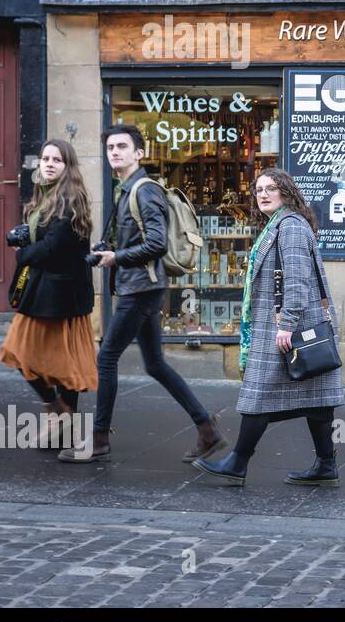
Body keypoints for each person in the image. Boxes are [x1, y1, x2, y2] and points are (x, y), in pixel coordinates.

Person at [58, 126, 228, 463]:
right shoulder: (126, 188)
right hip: (143, 286)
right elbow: (137, 238)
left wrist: (116, 258)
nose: (115, 152)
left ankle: (100, 438)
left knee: (106, 359)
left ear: (139, 152)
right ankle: (207, 429)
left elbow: (157, 243)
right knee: (155, 364)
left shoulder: (144, 190)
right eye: (110, 147)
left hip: (141, 288)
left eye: (122, 146)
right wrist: (107, 248)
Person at [194, 169, 345, 486]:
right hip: (289, 326)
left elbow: (297, 279)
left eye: (271, 188)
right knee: (317, 399)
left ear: (286, 192)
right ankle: (326, 464)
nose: (263, 194)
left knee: (258, 394)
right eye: (259, 189)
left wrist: (287, 324)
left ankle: (237, 462)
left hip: (286, 328)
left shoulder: (288, 227)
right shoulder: (280, 224)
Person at [0, 140, 98, 446]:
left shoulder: (70, 200)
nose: (49, 163)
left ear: (68, 166)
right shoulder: (48, 196)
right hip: (46, 291)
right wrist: (24, 233)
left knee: (52, 361)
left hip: (61, 294)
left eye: (57, 159)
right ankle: (59, 414)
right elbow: (45, 235)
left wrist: (22, 251)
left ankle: (60, 414)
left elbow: (54, 247)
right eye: (45, 158)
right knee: (27, 355)